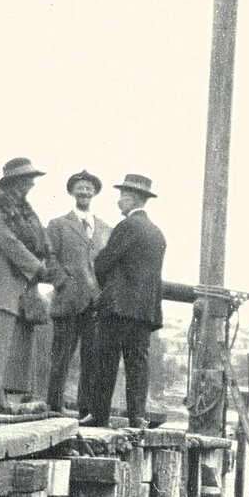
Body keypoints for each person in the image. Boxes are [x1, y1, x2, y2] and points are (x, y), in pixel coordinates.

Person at [0, 157, 56, 414]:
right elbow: (8, 243)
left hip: (23, 282)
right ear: (15, 182)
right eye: (27, 179)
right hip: (2, 277)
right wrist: (38, 268)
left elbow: (43, 241)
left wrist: (50, 260)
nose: (31, 184)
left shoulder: (28, 213)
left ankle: (5, 398)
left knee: (17, 338)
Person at [90, 172, 166, 428]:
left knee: (106, 361)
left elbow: (102, 263)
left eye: (122, 196)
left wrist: (104, 286)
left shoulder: (126, 227)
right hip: (144, 312)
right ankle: (137, 416)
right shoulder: (158, 234)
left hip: (118, 308)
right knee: (137, 364)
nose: (118, 201)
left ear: (133, 199)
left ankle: (98, 415)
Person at [45, 170, 111, 415]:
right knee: (61, 356)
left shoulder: (106, 229)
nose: (84, 192)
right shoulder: (59, 225)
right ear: (72, 192)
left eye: (88, 188)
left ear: (94, 193)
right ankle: (54, 406)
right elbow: (48, 258)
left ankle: (86, 409)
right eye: (80, 187)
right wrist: (63, 282)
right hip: (67, 301)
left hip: (95, 304)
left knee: (91, 359)